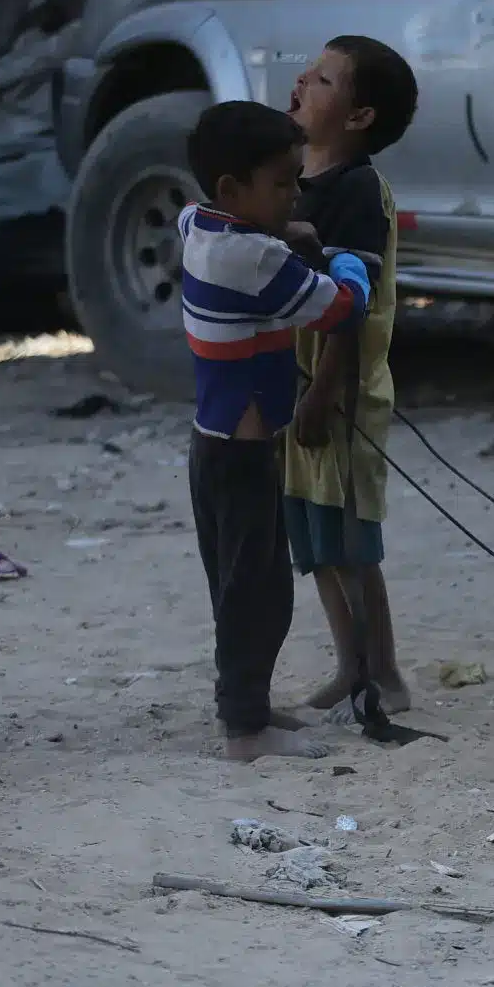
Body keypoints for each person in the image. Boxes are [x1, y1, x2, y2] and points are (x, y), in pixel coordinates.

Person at [180, 101, 370, 762]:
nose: (295, 194)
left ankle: (250, 704)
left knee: (243, 586)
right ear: (234, 190)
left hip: (212, 445)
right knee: (257, 595)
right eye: (283, 183)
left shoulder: (198, 224)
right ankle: (244, 731)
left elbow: (251, 242)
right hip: (243, 452)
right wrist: (347, 262)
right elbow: (339, 306)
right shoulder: (256, 259)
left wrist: (286, 231)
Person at [280, 36, 419, 716]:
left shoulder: (359, 190)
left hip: (338, 394)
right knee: (316, 541)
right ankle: (349, 666)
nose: (303, 79)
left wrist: (325, 390)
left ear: (360, 116)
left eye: (325, 78)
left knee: (351, 541)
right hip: (297, 388)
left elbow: (351, 303)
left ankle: (386, 674)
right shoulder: (291, 182)